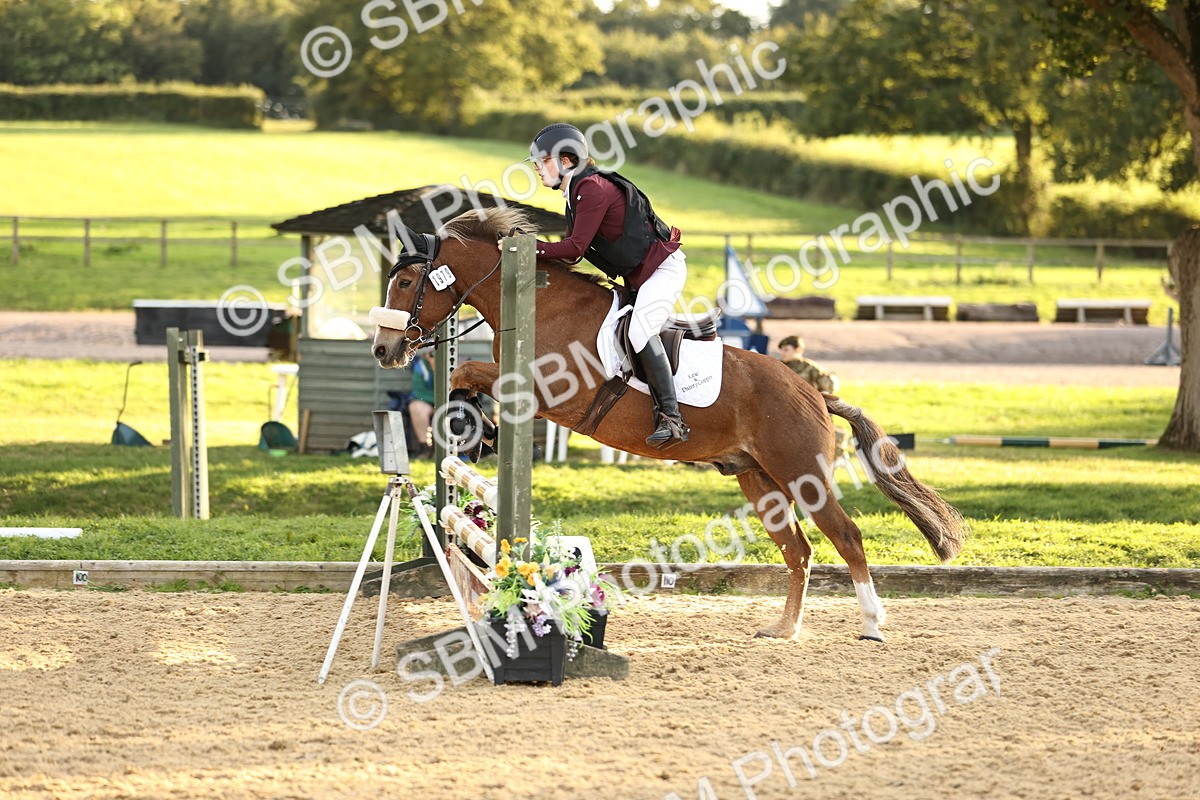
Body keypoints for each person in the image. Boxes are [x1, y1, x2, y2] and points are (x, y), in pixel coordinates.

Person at [521, 123, 690, 448]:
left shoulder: (592, 188)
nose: (537, 169)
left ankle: (672, 419)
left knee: (640, 331)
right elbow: (572, 256)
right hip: (641, 275)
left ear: (566, 159)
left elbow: (573, 250)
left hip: (663, 271)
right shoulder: (576, 191)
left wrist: (530, 247)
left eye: (542, 161)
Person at [778, 335, 847, 455]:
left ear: (797, 350)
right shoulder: (778, 367)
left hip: (807, 414)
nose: (782, 353)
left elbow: (830, 385)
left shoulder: (809, 367)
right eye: (781, 350)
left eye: (786, 350)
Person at [407, 350, 435, 456]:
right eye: (431, 354)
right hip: (428, 401)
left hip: (446, 402)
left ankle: (445, 447)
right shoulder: (420, 367)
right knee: (415, 407)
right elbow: (419, 392)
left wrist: (437, 370)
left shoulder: (452, 364)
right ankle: (426, 447)